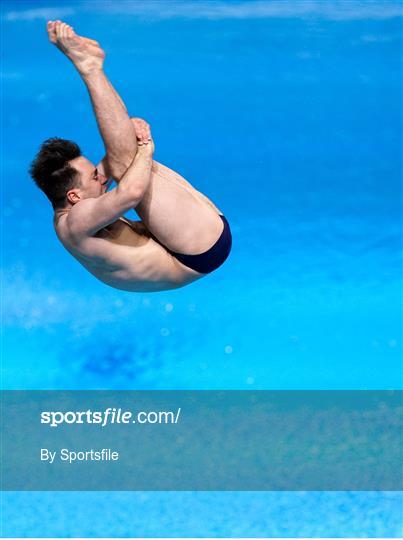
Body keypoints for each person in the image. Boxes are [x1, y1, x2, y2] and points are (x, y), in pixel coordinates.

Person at [29, 21, 231, 292]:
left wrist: (130, 128)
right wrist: (146, 145)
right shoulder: (76, 222)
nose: (102, 178)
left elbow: (116, 155)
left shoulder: (77, 205)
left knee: (122, 159)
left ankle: (92, 66)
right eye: (94, 177)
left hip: (186, 242)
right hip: (196, 252)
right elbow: (130, 192)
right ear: (74, 197)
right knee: (128, 163)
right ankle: (89, 67)